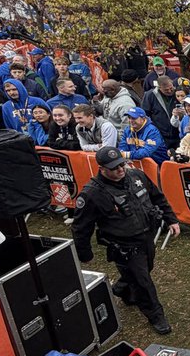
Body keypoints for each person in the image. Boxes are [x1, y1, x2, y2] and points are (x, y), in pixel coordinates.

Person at [72, 145, 179, 334]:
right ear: (102, 169)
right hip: (124, 245)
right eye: (115, 168)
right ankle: (155, 315)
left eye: (121, 164)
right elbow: (81, 227)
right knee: (143, 282)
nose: (121, 170)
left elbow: (157, 197)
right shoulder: (92, 194)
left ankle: (122, 288)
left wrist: (171, 219)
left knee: (146, 269)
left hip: (146, 236)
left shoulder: (136, 176)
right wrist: (84, 253)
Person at [142, 75, 180, 151]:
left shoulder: (178, 92)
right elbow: (145, 115)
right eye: (166, 90)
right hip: (161, 134)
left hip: (178, 133)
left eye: (171, 88)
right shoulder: (150, 95)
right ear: (159, 88)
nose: (169, 91)